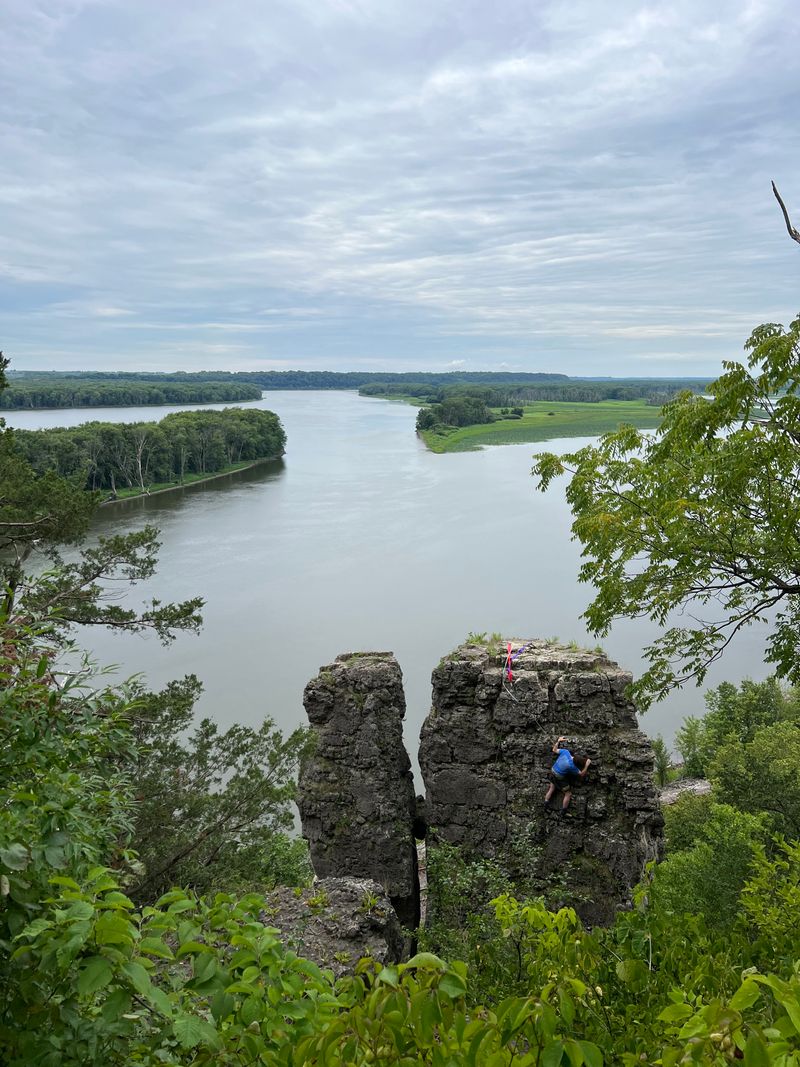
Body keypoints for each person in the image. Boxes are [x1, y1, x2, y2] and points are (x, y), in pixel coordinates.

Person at [544, 735, 591, 814]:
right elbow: (582, 774)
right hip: (559, 777)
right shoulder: (572, 766)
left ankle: (545, 804)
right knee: (568, 794)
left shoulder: (566, 752)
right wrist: (586, 765)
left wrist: (558, 741)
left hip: (552, 771)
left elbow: (554, 749)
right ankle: (563, 811)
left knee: (552, 788)